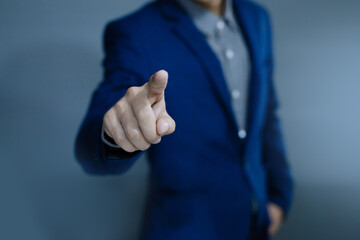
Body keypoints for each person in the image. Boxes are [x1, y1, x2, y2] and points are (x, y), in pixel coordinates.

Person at [75, 0, 294, 239]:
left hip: (256, 225)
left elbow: (266, 114)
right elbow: (92, 145)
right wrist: (116, 134)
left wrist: (279, 195)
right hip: (185, 229)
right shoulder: (136, 31)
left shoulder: (257, 18)